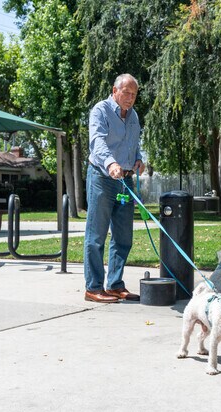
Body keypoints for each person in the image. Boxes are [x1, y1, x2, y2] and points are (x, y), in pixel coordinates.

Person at [83, 74, 145, 303]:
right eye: (126, 93)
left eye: (134, 94)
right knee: (96, 235)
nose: (130, 98)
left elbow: (134, 143)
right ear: (114, 90)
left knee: (123, 237)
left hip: (126, 180)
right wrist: (111, 163)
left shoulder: (134, 116)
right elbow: (97, 141)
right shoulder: (100, 111)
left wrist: (138, 159)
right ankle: (93, 288)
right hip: (102, 177)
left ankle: (115, 285)